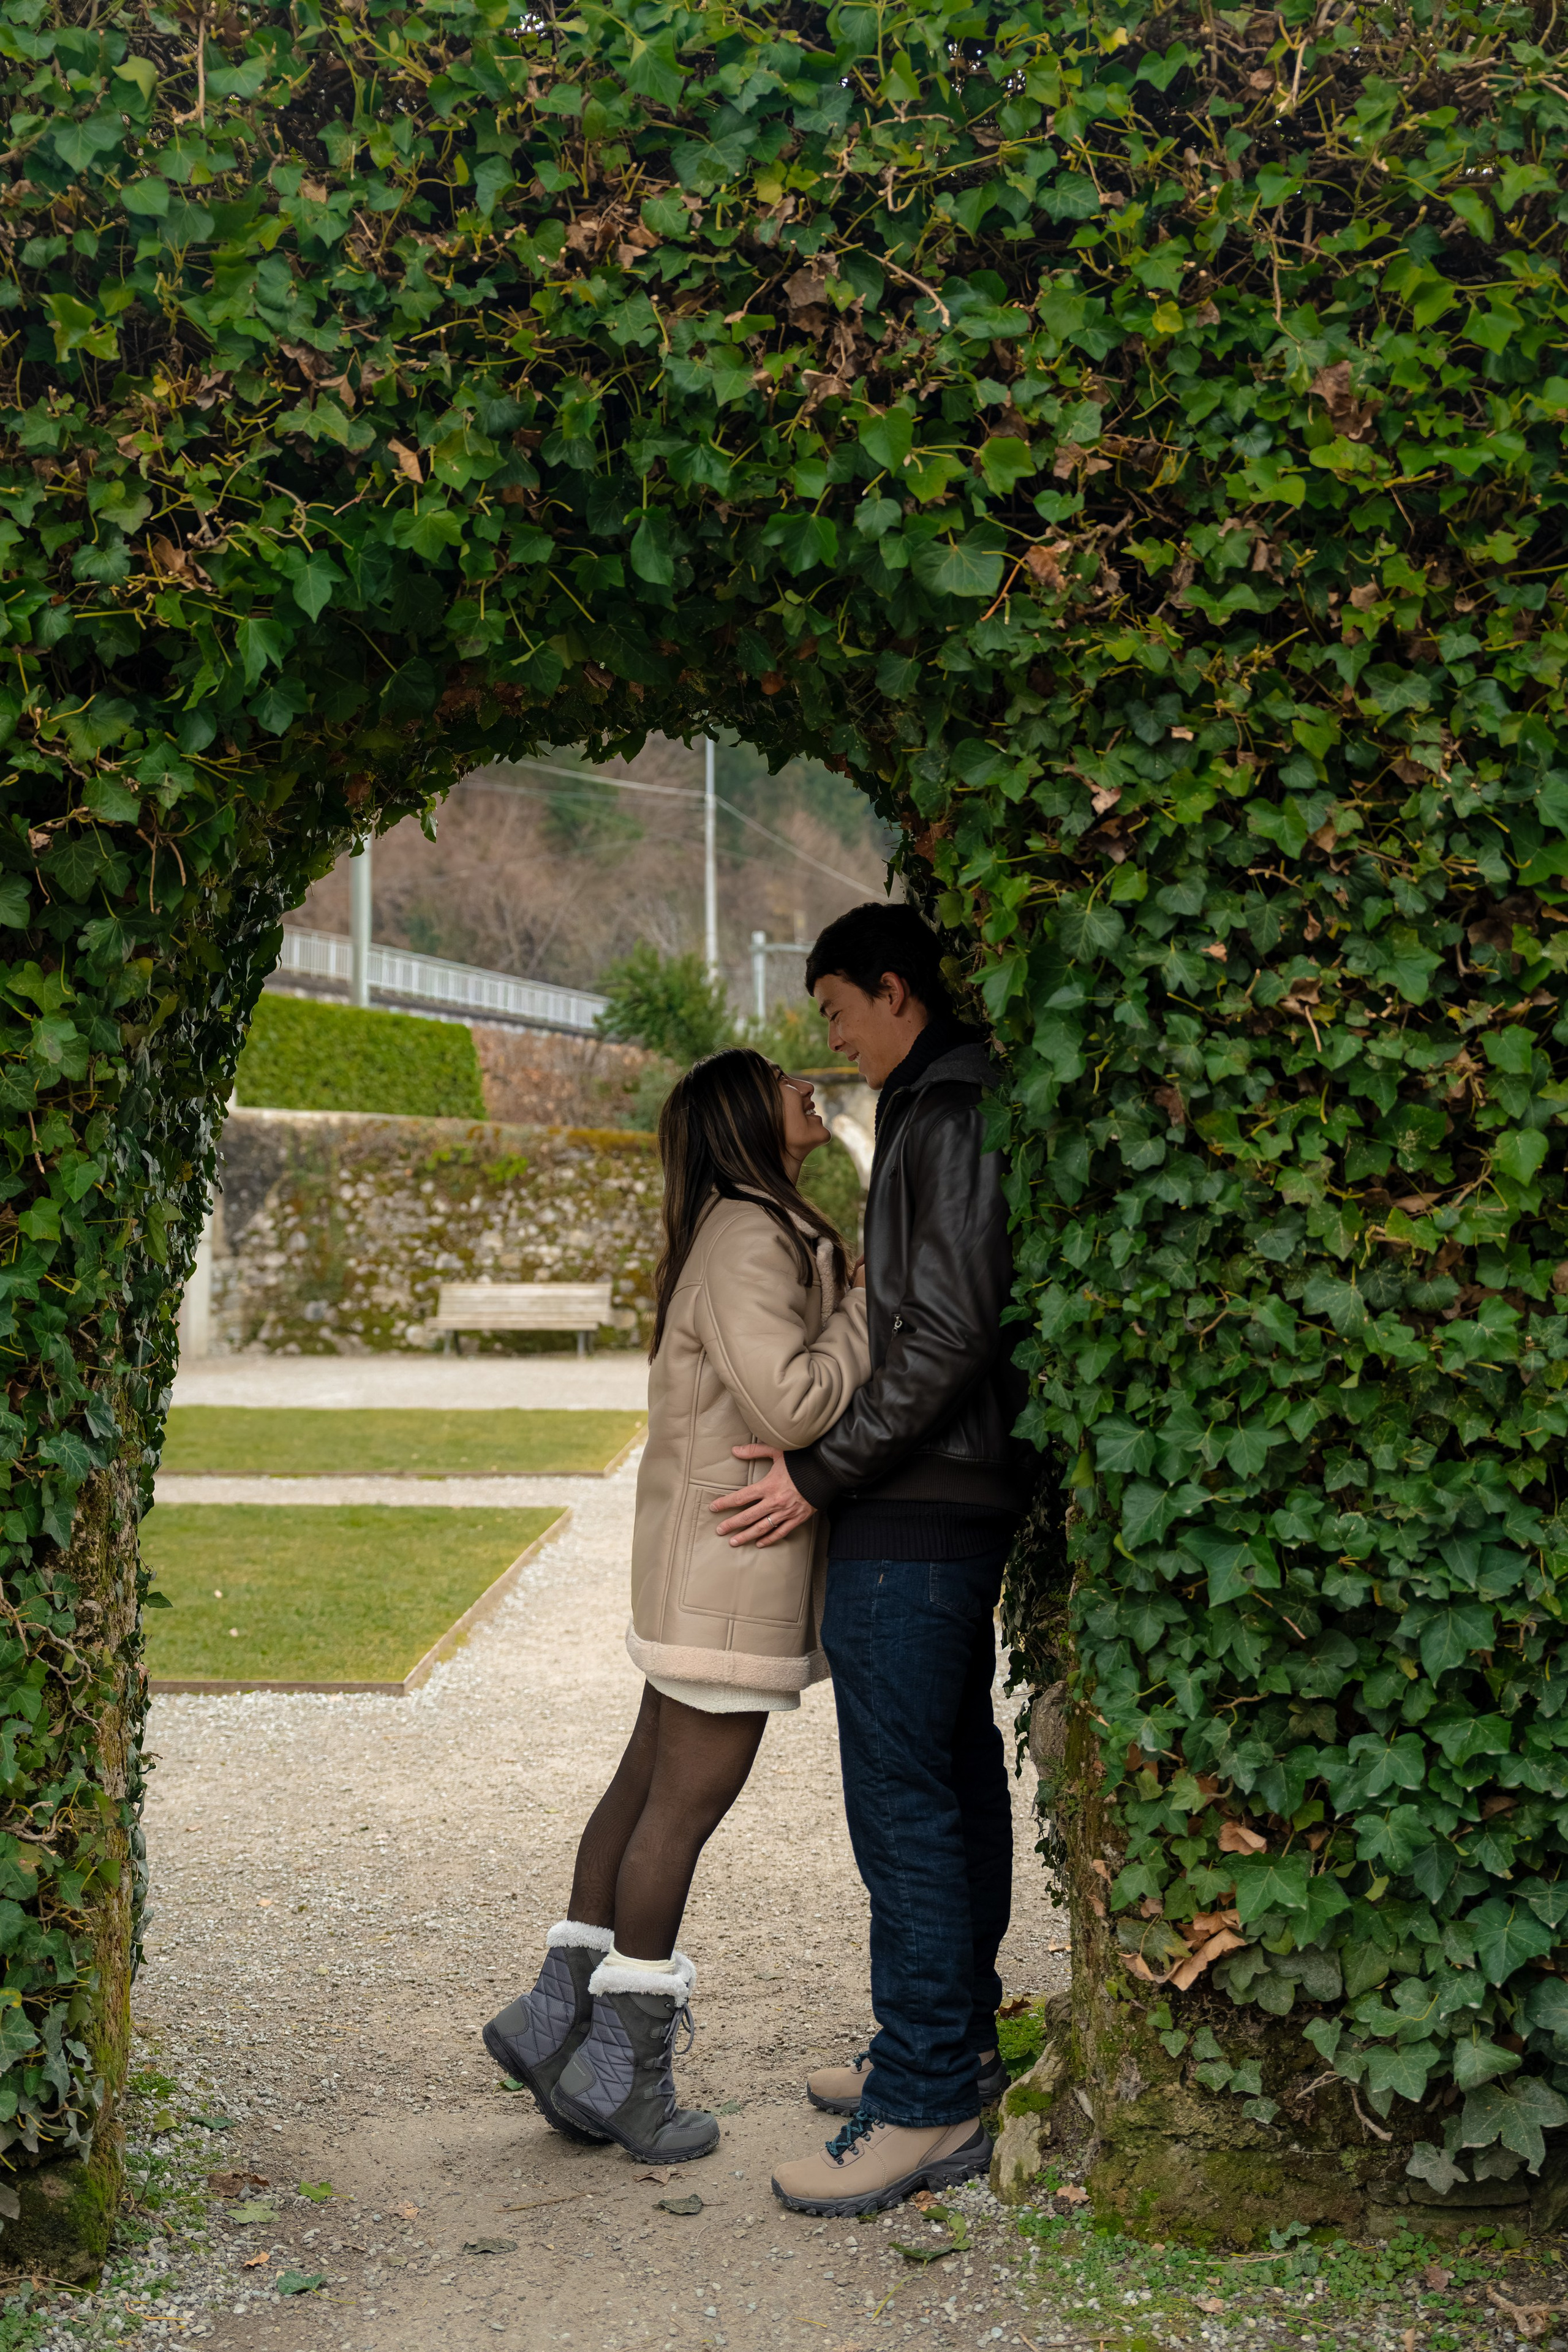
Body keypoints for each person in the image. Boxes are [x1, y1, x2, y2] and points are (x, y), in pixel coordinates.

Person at [482, 1048, 869, 2164]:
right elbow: (792, 1404)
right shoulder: (753, 1232)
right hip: (728, 1570)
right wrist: (864, 1304)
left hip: (702, 1562)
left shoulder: (738, 1220)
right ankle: (624, 2080)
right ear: (746, 1114)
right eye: (785, 1079)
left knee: (645, 1786)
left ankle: (554, 2021)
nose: (811, 1083)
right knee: (683, 1807)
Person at [710, 902, 1034, 2217]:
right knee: (944, 1781)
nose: (831, 1041)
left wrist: (818, 1472)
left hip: (919, 1503)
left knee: (902, 1805)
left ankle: (923, 2103)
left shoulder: (945, 1114)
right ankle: (945, 2049)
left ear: (893, 991)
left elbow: (945, 1331)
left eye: (837, 1011)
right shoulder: (942, 1105)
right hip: (937, 1497)